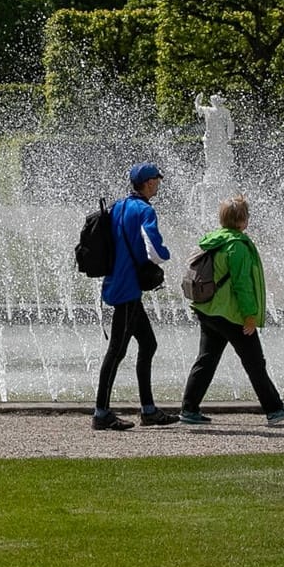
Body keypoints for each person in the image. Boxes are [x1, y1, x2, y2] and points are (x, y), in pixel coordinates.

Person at [179, 194, 284, 426]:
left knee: (206, 360)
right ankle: (274, 410)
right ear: (242, 220)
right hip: (231, 314)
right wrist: (250, 316)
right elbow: (242, 285)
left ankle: (189, 409)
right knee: (255, 362)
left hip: (208, 310)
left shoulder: (213, 240)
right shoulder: (237, 246)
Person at [93, 162, 179, 431]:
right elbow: (153, 248)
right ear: (148, 183)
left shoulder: (118, 206)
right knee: (116, 351)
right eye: (157, 179)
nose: (159, 183)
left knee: (148, 344)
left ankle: (148, 410)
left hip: (116, 282)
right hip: (129, 289)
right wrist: (165, 257)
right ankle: (101, 413)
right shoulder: (145, 210)